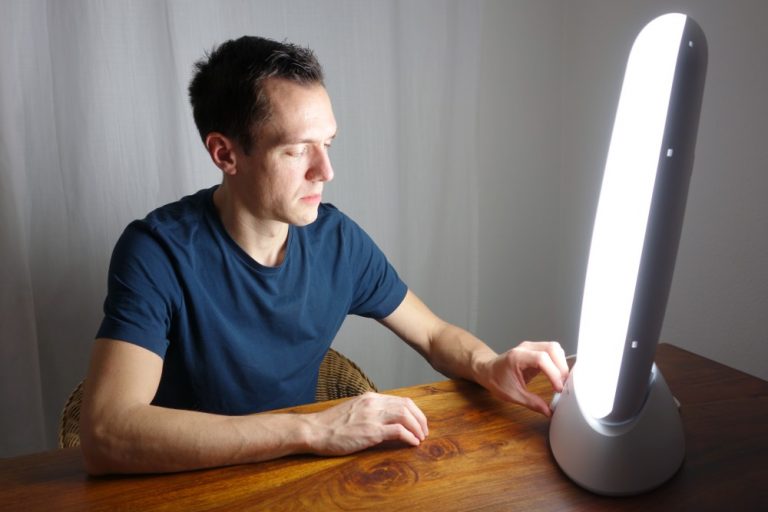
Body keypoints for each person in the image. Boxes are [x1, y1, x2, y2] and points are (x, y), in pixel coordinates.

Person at [79, 35, 569, 475]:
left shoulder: (337, 241)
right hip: (184, 484)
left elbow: (435, 335)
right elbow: (106, 433)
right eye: (297, 150)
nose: (325, 171)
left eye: (328, 144)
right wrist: (313, 430)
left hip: (297, 477)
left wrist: (488, 364)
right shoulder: (156, 252)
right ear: (225, 154)